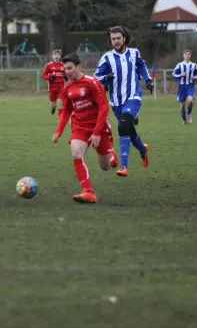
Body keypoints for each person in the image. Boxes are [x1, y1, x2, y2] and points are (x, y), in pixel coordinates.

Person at [52, 53, 119, 204]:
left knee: (105, 166)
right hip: (79, 126)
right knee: (76, 153)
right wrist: (58, 131)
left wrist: (96, 132)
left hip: (98, 126)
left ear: (79, 66)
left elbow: (103, 107)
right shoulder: (67, 87)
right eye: (65, 69)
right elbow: (66, 111)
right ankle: (88, 192)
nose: (67, 72)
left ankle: (112, 154)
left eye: (70, 68)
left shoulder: (92, 82)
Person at [94, 26, 153, 177]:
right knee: (129, 130)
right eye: (113, 39)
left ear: (124, 38)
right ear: (110, 40)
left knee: (123, 125)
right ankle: (143, 150)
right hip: (116, 102)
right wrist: (106, 78)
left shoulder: (134, 53)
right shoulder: (107, 58)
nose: (116, 41)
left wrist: (148, 80)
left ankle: (124, 166)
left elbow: (141, 65)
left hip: (133, 96)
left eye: (118, 38)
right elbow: (96, 79)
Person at [172, 49, 197, 124]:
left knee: (190, 100)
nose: (187, 56)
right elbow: (173, 75)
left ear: (190, 56)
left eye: (189, 54)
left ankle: (188, 115)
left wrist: (194, 77)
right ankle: (184, 120)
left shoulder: (194, 65)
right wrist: (181, 75)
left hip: (190, 86)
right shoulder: (179, 65)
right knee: (182, 105)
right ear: (183, 55)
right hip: (182, 87)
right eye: (186, 54)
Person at [41, 49, 67, 115]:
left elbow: (66, 73)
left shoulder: (63, 65)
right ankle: (53, 108)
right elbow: (43, 75)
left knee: (60, 102)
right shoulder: (48, 65)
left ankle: (60, 119)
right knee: (53, 104)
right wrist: (49, 77)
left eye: (58, 55)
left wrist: (66, 77)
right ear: (52, 56)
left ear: (60, 56)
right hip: (52, 87)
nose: (56, 56)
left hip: (61, 86)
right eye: (55, 55)